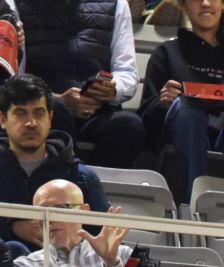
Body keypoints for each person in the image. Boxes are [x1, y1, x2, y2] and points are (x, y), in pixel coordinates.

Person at [138, 0, 224, 197]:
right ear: (183, 5)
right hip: (182, 138)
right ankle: (194, 203)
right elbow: (146, 129)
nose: (205, 3)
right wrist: (163, 104)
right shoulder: (167, 53)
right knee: (187, 107)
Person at [14, 0, 144, 170]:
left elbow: (126, 71)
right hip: (43, 110)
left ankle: (96, 189)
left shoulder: (117, 4)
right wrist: (57, 100)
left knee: (129, 125)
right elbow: (15, 79)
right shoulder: (16, 5)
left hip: (99, 110)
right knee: (57, 113)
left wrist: (113, 88)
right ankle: (66, 181)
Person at [0, 74, 108, 255]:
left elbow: (104, 243)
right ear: (2, 120)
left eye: (38, 113)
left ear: (50, 118)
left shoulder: (81, 177)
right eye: (20, 113)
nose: (30, 123)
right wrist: (12, 228)